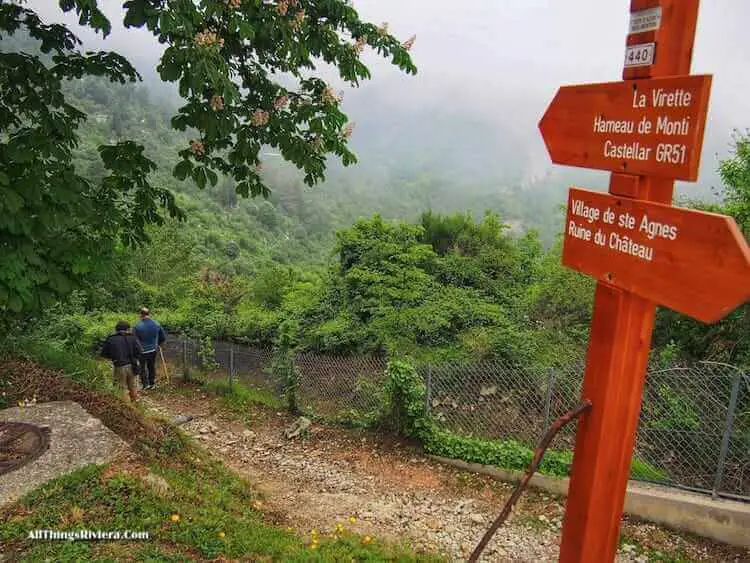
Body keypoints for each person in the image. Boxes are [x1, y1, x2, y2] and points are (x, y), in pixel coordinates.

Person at [101, 320, 142, 403]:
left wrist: (113, 357)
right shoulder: (133, 337)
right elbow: (139, 351)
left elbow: (104, 354)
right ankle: (137, 406)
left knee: (121, 388)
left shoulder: (111, 339)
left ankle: (127, 408)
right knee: (133, 386)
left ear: (116, 329)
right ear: (128, 329)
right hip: (133, 365)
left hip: (119, 366)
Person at [134, 307, 166, 390]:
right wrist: (158, 344)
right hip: (153, 350)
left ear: (141, 314)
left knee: (142, 367)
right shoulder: (156, 324)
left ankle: (145, 385)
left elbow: (135, 340)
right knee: (151, 366)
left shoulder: (137, 326)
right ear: (149, 314)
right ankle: (152, 383)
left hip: (142, 351)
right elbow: (162, 337)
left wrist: (137, 349)